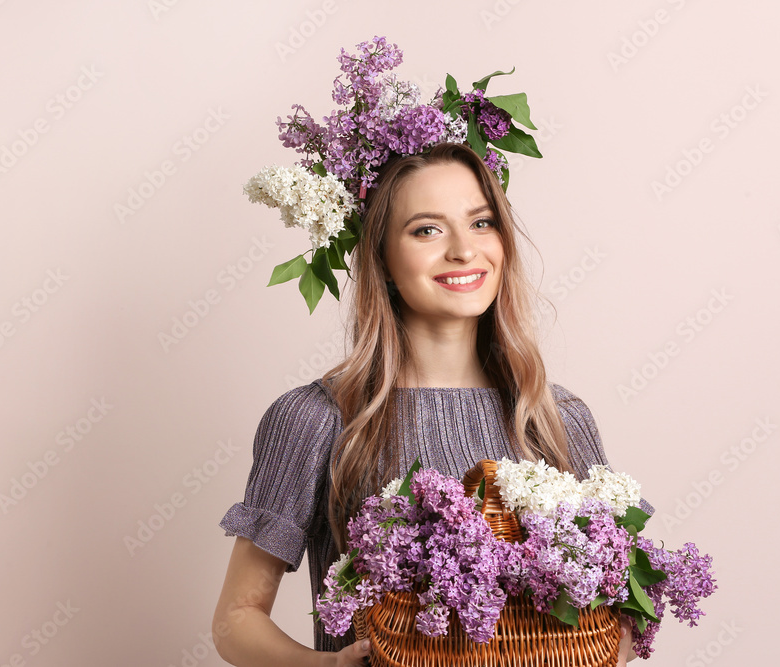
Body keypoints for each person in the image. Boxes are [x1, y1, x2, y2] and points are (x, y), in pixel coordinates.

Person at [212, 142, 652, 666]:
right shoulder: (318, 418)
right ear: (382, 258)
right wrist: (327, 665)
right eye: (427, 229)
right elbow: (235, 621)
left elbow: (622, 614)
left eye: (482, 222)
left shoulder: (554, 417)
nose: (464, 250)